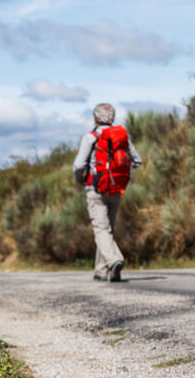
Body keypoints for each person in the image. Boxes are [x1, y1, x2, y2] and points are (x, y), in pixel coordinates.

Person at [72, 103, 142, 282]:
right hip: (117, 188)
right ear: (112, 117)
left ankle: (114, 260)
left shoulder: (91, 137)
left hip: (95, 188)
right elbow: (137, 160)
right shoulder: (122, 137)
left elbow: (79, 165)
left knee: (101, 229)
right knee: (107, 229)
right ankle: (101, 270)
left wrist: (80, 179)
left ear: (95, 118)